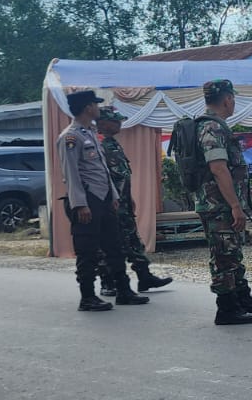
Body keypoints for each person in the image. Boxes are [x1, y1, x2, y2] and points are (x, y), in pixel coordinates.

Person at [58, 90, 148, 312]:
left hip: (104, 198)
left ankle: (124, 291)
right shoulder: (71, 137)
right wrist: (80, 204)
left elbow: (103, 169)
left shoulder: (90, 133)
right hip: (88, 199)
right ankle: (88, 297)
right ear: (88, 107)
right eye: (95, 104)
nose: (98, 108)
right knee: (87, 251)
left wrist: (114, 196)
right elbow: (71, 173)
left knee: (114, 247)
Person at [195, 79, 252, 325]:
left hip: (220, 203)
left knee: (232, 252)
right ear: (227, 99)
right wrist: (235, 205)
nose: (233, 102)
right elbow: (218, 168)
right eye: (232, 98)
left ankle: (242, 299)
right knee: (224, 255)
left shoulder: (214, 125)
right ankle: (226, 308)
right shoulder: (211, 128)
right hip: (218, 205)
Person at [94, 106, 172, 296]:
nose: (119, 124)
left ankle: (144, 277)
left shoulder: (113, 144)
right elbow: (103, 180)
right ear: (103, 123)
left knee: (133, 241)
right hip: (110, 206)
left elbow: (122, 178)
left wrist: (129, 200)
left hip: (123, 205)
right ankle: (107, 282)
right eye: (115, 121)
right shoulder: (100, 146)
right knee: (109, 244)